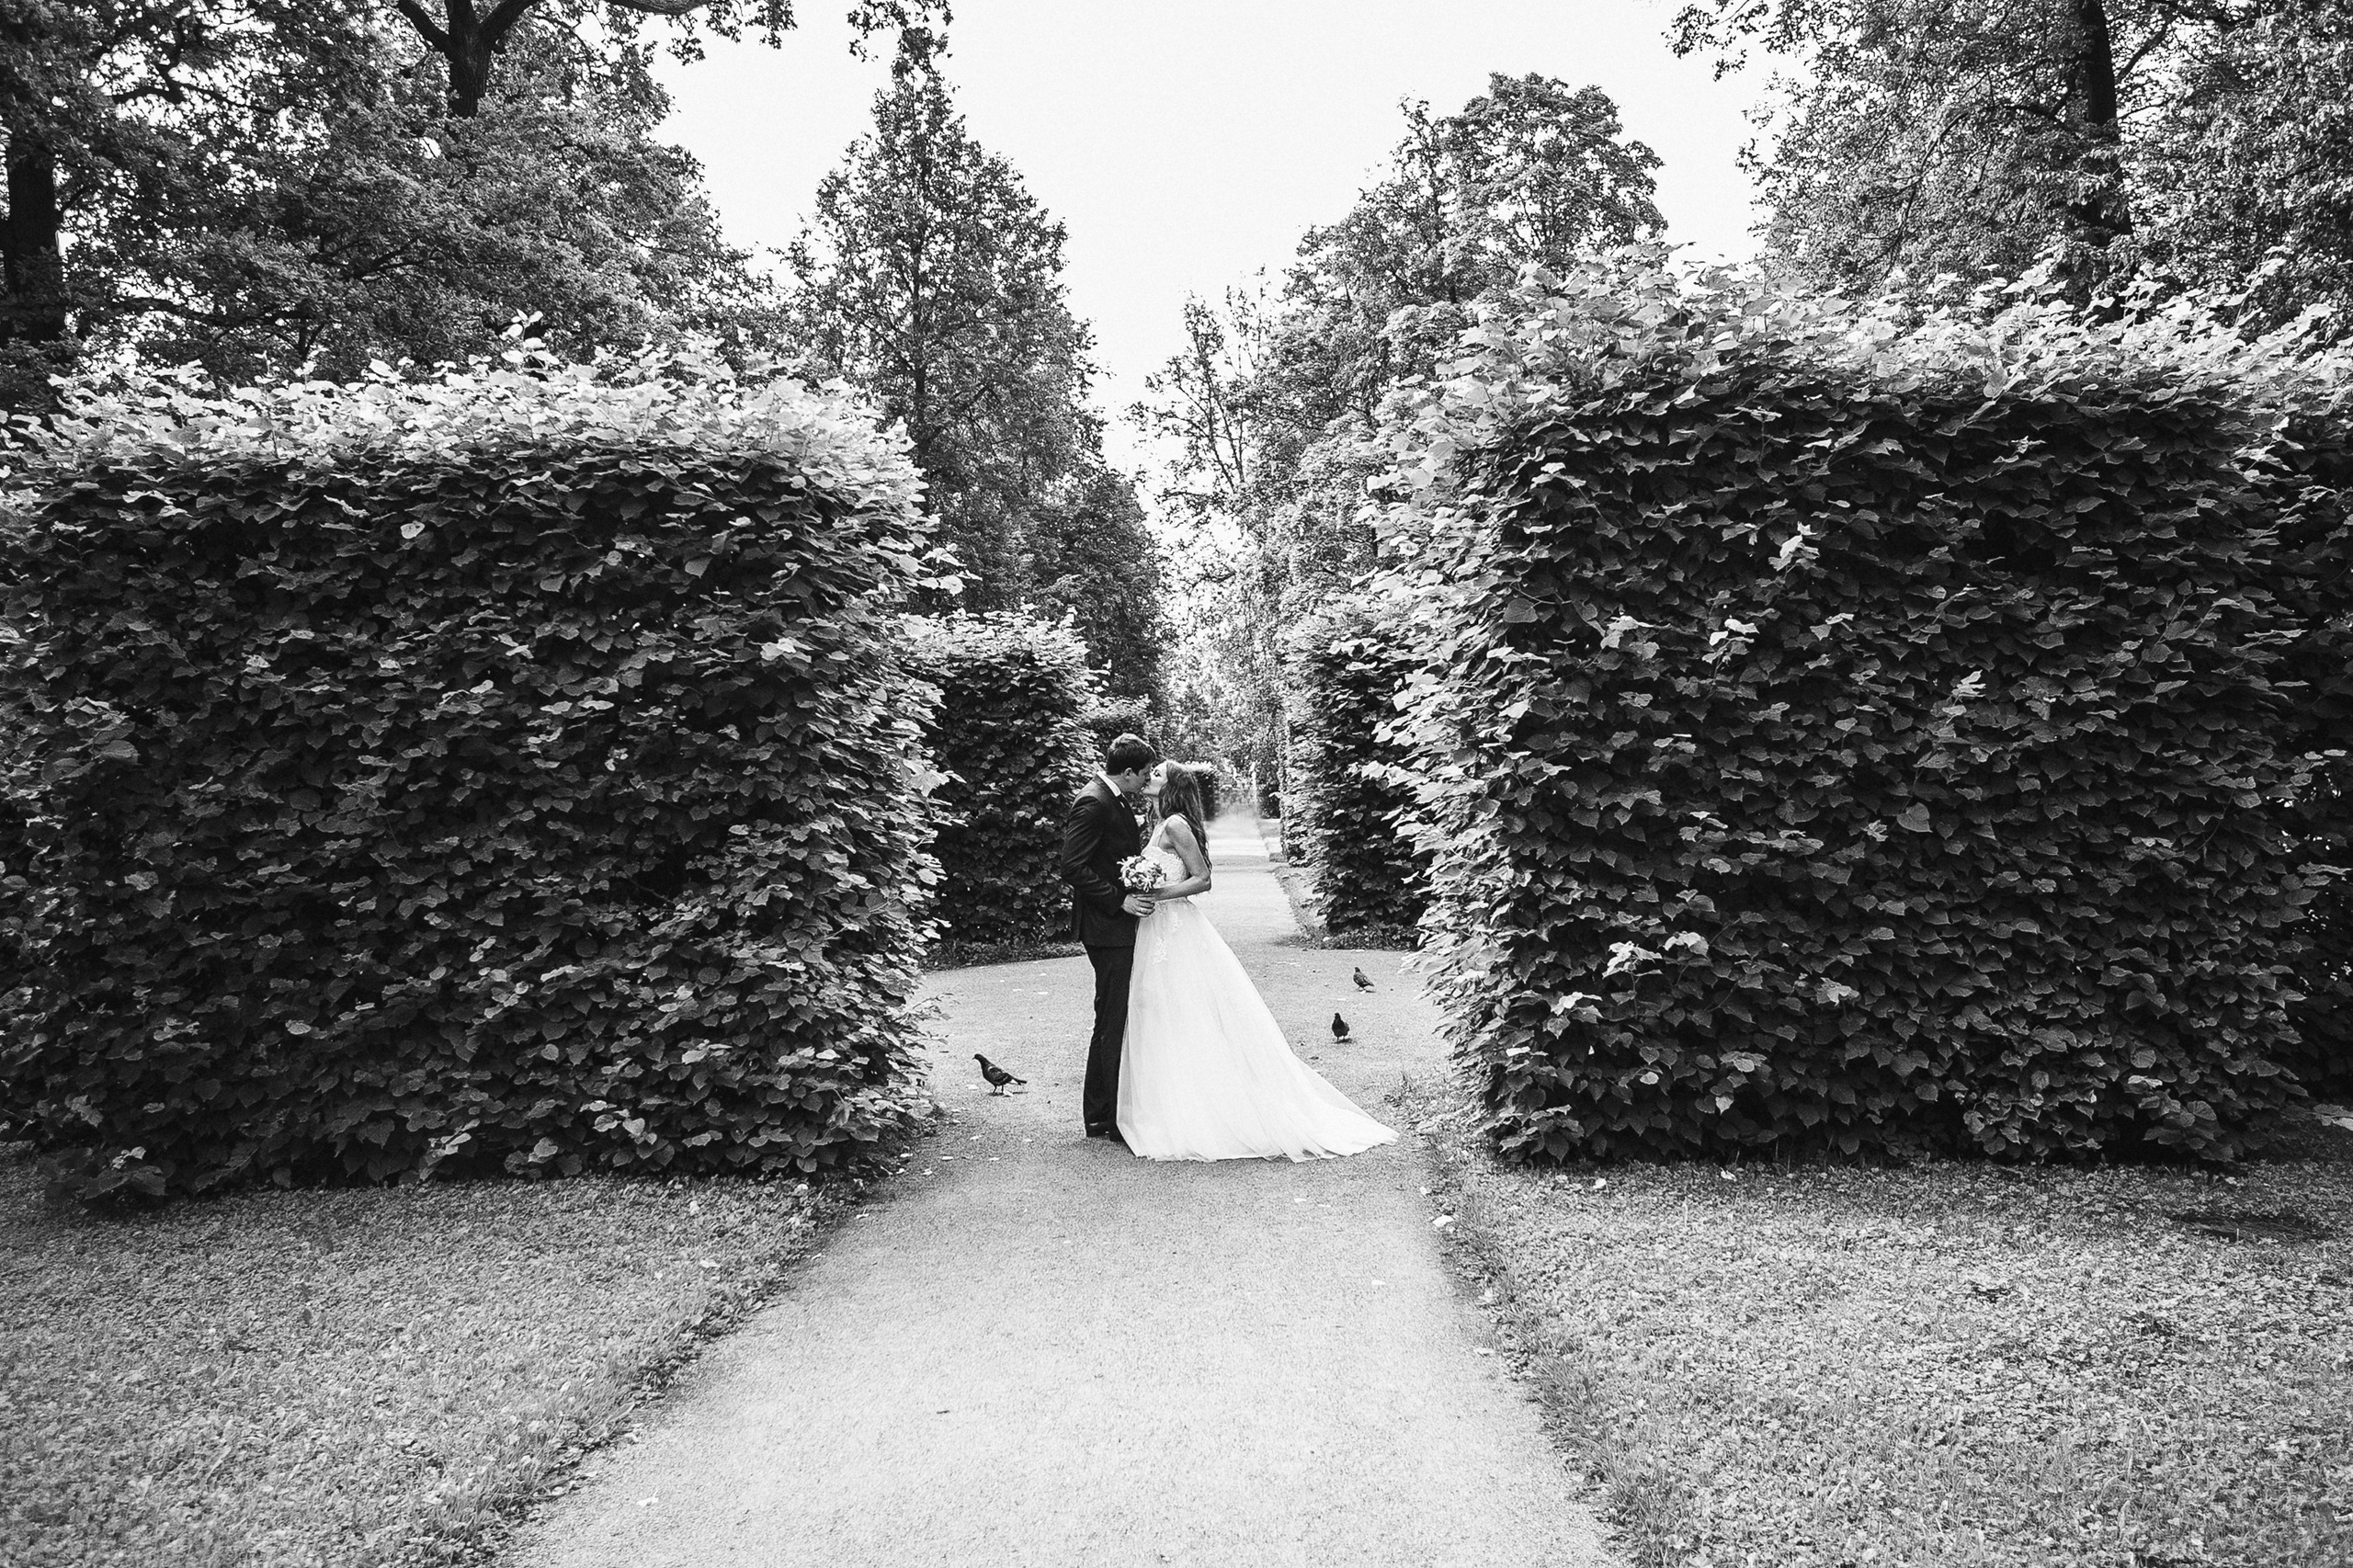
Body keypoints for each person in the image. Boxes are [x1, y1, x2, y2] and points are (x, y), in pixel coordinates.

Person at [1115, 759, 1396, 1162]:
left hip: (1176, 929)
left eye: (1157, 773)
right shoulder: (1158, 822)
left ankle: (1204, 1111)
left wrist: (1156, 894)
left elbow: (1203, 878)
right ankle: (1170, 1102)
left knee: (1187, 1010)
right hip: (1155, 930)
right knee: (1160, 1011)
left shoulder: (1176, 824)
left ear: (1172, 786)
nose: (1149, 776)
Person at [1057, 733, 1159, 1142]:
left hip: (1114, 927)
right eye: (1145, 773)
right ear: (1129, 772)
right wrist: (1120, 902)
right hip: (1107, 928)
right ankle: (1102, 1116)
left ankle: (1105, 1111)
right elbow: (1073, 867)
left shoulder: (1112, 797)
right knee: (1111, 1018)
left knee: (1115, 1015)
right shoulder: (1093, 801)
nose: (1147, 779)